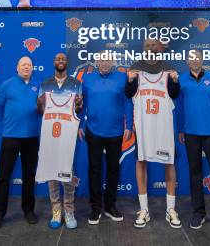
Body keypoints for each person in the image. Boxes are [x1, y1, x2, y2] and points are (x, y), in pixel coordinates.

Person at [125, 38, 181, 229]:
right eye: (146, 45)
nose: (150, 48)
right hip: (144, 127)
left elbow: (174, 95)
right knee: (141, 161)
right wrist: (131, 80)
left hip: (163, 127)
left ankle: (171, 209)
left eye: (153, 45)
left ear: (159, 47)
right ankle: (144, 209)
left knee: (169, 162)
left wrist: (174, 80)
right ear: (143, 48)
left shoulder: (167, 68)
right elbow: (128, 93)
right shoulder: (136, 68)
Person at [178, 49, 210, 231]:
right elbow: (179, 108)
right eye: (191, 58)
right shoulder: (181, 79)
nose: (194, 60)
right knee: (195, 174)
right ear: (187, 61)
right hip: (191, 133)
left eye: (197, 57)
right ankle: (198, 212)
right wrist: (180, 129)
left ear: (202, 59)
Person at [78, 58, 133, 225]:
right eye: (101, 60)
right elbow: (82, 103)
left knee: (113, 169)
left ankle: (110, 206)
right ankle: (95, 207)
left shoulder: (122, 78)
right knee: (94, 169)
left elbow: (128, 102)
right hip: (93, 130)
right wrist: (80, 124)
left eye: (108, 60)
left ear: (113, 62)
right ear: (96, 62)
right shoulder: (87, 79)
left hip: (115, 131)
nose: (104, 63)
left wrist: (129, 125)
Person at [0, 56, 40, 229]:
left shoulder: (38, 86)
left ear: (33, 68)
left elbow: (43, 108)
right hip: (10, 136)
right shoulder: (7, 84)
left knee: (29, 175)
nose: (26, 67)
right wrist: (8, 123)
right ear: (17, 67)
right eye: (23, 65)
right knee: (4, 176)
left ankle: (28, 210)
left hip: (32, 137)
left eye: (29, 65)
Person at [36, 53, 82, 230]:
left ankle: (69, 210)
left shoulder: (76, 84)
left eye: (63, 59)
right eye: (57, 59)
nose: (60, 61)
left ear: (67, 62)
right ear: (54, 62)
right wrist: (39, 104)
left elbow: (79, 108)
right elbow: (41, 111)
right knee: (51, 171)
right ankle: (56, 209)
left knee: (67, 170)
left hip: (68, 134)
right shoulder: (45, 84)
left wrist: (78, 104)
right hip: (50, 134)